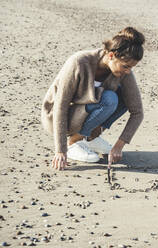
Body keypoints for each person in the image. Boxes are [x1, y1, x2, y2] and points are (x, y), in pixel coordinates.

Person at [41, 27, 145, 171]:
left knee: (124, 97)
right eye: (125, 66)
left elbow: (137, 111)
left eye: (131, 68)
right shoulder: (79, 62)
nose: (127, 71)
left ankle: (90, 137)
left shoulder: (123, 71)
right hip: (58, 117)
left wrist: (118, 146)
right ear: (111, 55)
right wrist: (61, 150)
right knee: (110, 99)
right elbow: (60, 105)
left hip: (85, 112)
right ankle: (74, 142)